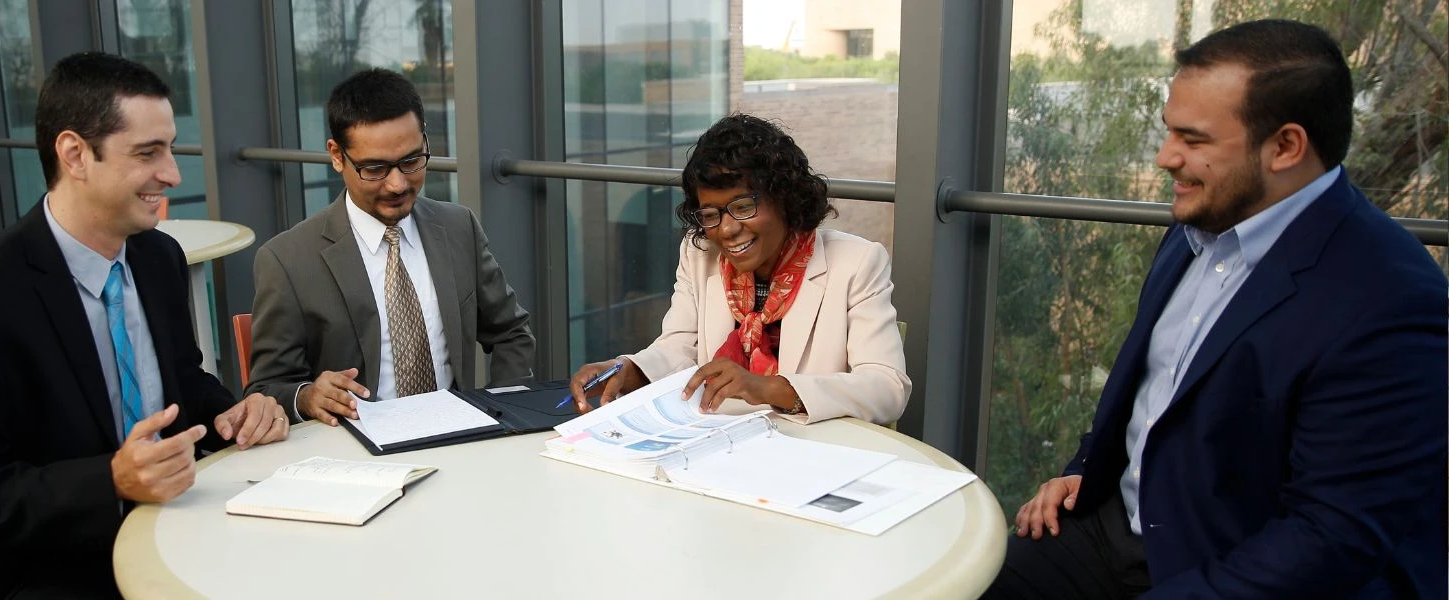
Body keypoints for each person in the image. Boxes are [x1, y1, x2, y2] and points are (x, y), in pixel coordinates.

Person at [985, 20, 1447, 599]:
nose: (1164, 157)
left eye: (1193, 140)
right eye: (1168, 132)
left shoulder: (1391, 298)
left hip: (1239, 571)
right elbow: (1154, 398)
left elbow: (1333, 538)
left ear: (1285, 146)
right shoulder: (1200, 226)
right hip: (1116, 529)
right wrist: (1084, 468)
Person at [0, 52, 289, 598]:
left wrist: (232, 410)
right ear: (74, 154)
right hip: (46, 572)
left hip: (174, 528)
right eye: (147, 153)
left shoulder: (158, 260)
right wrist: (109, 481)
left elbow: (182, 378)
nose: (174, 174)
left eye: (171, 148)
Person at [568, 114, 910, 424]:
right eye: (711, 214)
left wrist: (766, 388)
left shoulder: (857, 262)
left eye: (743, 206)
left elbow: (887, 388)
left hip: (811, 454)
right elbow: (678, 349)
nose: (727, 229)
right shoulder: (698, 252)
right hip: (720, 443)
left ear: (785, 198)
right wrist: (629, 370)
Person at [248, 68, 535, 426]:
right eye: (375, 168)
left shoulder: (459, 228)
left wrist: (502, 412)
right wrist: (306, 397)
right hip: (356, 456)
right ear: (337, 155)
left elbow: (510, 332)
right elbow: (266, 388)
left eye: (412, 161)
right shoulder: (288, 260)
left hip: (460, 441)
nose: (398, 184)